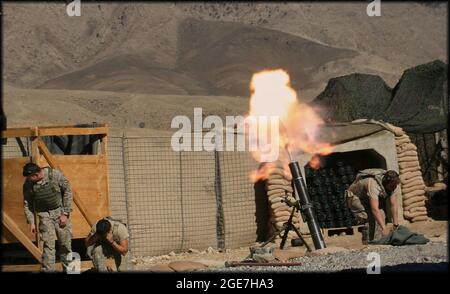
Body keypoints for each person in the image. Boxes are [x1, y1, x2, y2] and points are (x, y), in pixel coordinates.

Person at [22, 162, 73, 272]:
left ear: (36, 174)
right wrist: (31, 222)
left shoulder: (54, 175)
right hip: (44, 215)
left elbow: (68, 190)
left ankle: (70, 271)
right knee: (48, 246)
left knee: (65, 244)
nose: (29, 179)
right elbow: (27, 203)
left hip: (60, 213)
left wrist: (65, 214)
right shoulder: (28, 184)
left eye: (30, 177)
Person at [346, 168, 400, 244]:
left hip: (367, 198)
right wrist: (384, 228)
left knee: (381, 214)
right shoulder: (373, 184)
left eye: (395, 185)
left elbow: (393, 205)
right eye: (392, 186)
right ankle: (367, 243)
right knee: (368, 217)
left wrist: (396, 224)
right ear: (385, 182)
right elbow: (374, 209)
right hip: (355, 197)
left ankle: (376, 241)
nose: (394, 187)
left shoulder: (392, 185)